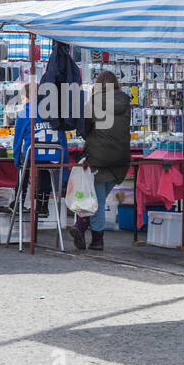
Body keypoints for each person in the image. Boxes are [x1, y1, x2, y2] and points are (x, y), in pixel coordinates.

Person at [72, 71, 131, 251]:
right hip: (121, 157)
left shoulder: (94, 102)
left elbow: (84, 128)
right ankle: (82, 227)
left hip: (99, 156)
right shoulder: (126, 102)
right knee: (98, 197)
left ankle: (94, 236)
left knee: (97, 199)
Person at [13, 82, 67, 218]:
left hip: (32, 156)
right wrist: (64, 164)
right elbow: (63, 140)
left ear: (25, 96)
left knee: (23, 165)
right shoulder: (54, 113)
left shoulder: (24, 113)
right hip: (54, 157)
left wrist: (16, 160)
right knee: (45, 169)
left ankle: (19, 202)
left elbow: (17, 141)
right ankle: (43, 205)